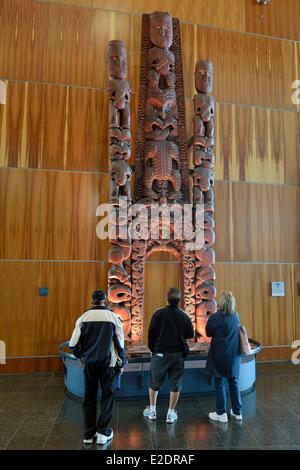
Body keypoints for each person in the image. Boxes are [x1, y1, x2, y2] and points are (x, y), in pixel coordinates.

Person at [69, 289, 126, 445]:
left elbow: (73, 345)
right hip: (109, 364)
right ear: (105, 300)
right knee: (108, 397)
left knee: (89, 398)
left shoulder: (83, 318)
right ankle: (103, 433)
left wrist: (81, 356)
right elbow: (120, 344)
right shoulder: (113, 317)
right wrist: (123, 362)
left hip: (90, 364)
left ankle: (88, 434)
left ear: (92, 300)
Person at [143, 287, 194, 424]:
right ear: (179, 300)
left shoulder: (158, 314)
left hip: (159, 354)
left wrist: (154, 350)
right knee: (175, 384)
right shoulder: (184, 316)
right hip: (177, 355)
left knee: (154, 383)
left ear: (167, 299)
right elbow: (190, 334)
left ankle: (152, 411)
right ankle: (170, 414)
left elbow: (151, 335)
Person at [205, 291, 243, 423]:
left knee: (220, 381)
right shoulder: (235, 315)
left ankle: (221, 413)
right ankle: (237, 412)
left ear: (221, 302)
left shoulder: (215, 317)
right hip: (234, 355)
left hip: (219, 354)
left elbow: (208, 332)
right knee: (234, 381)